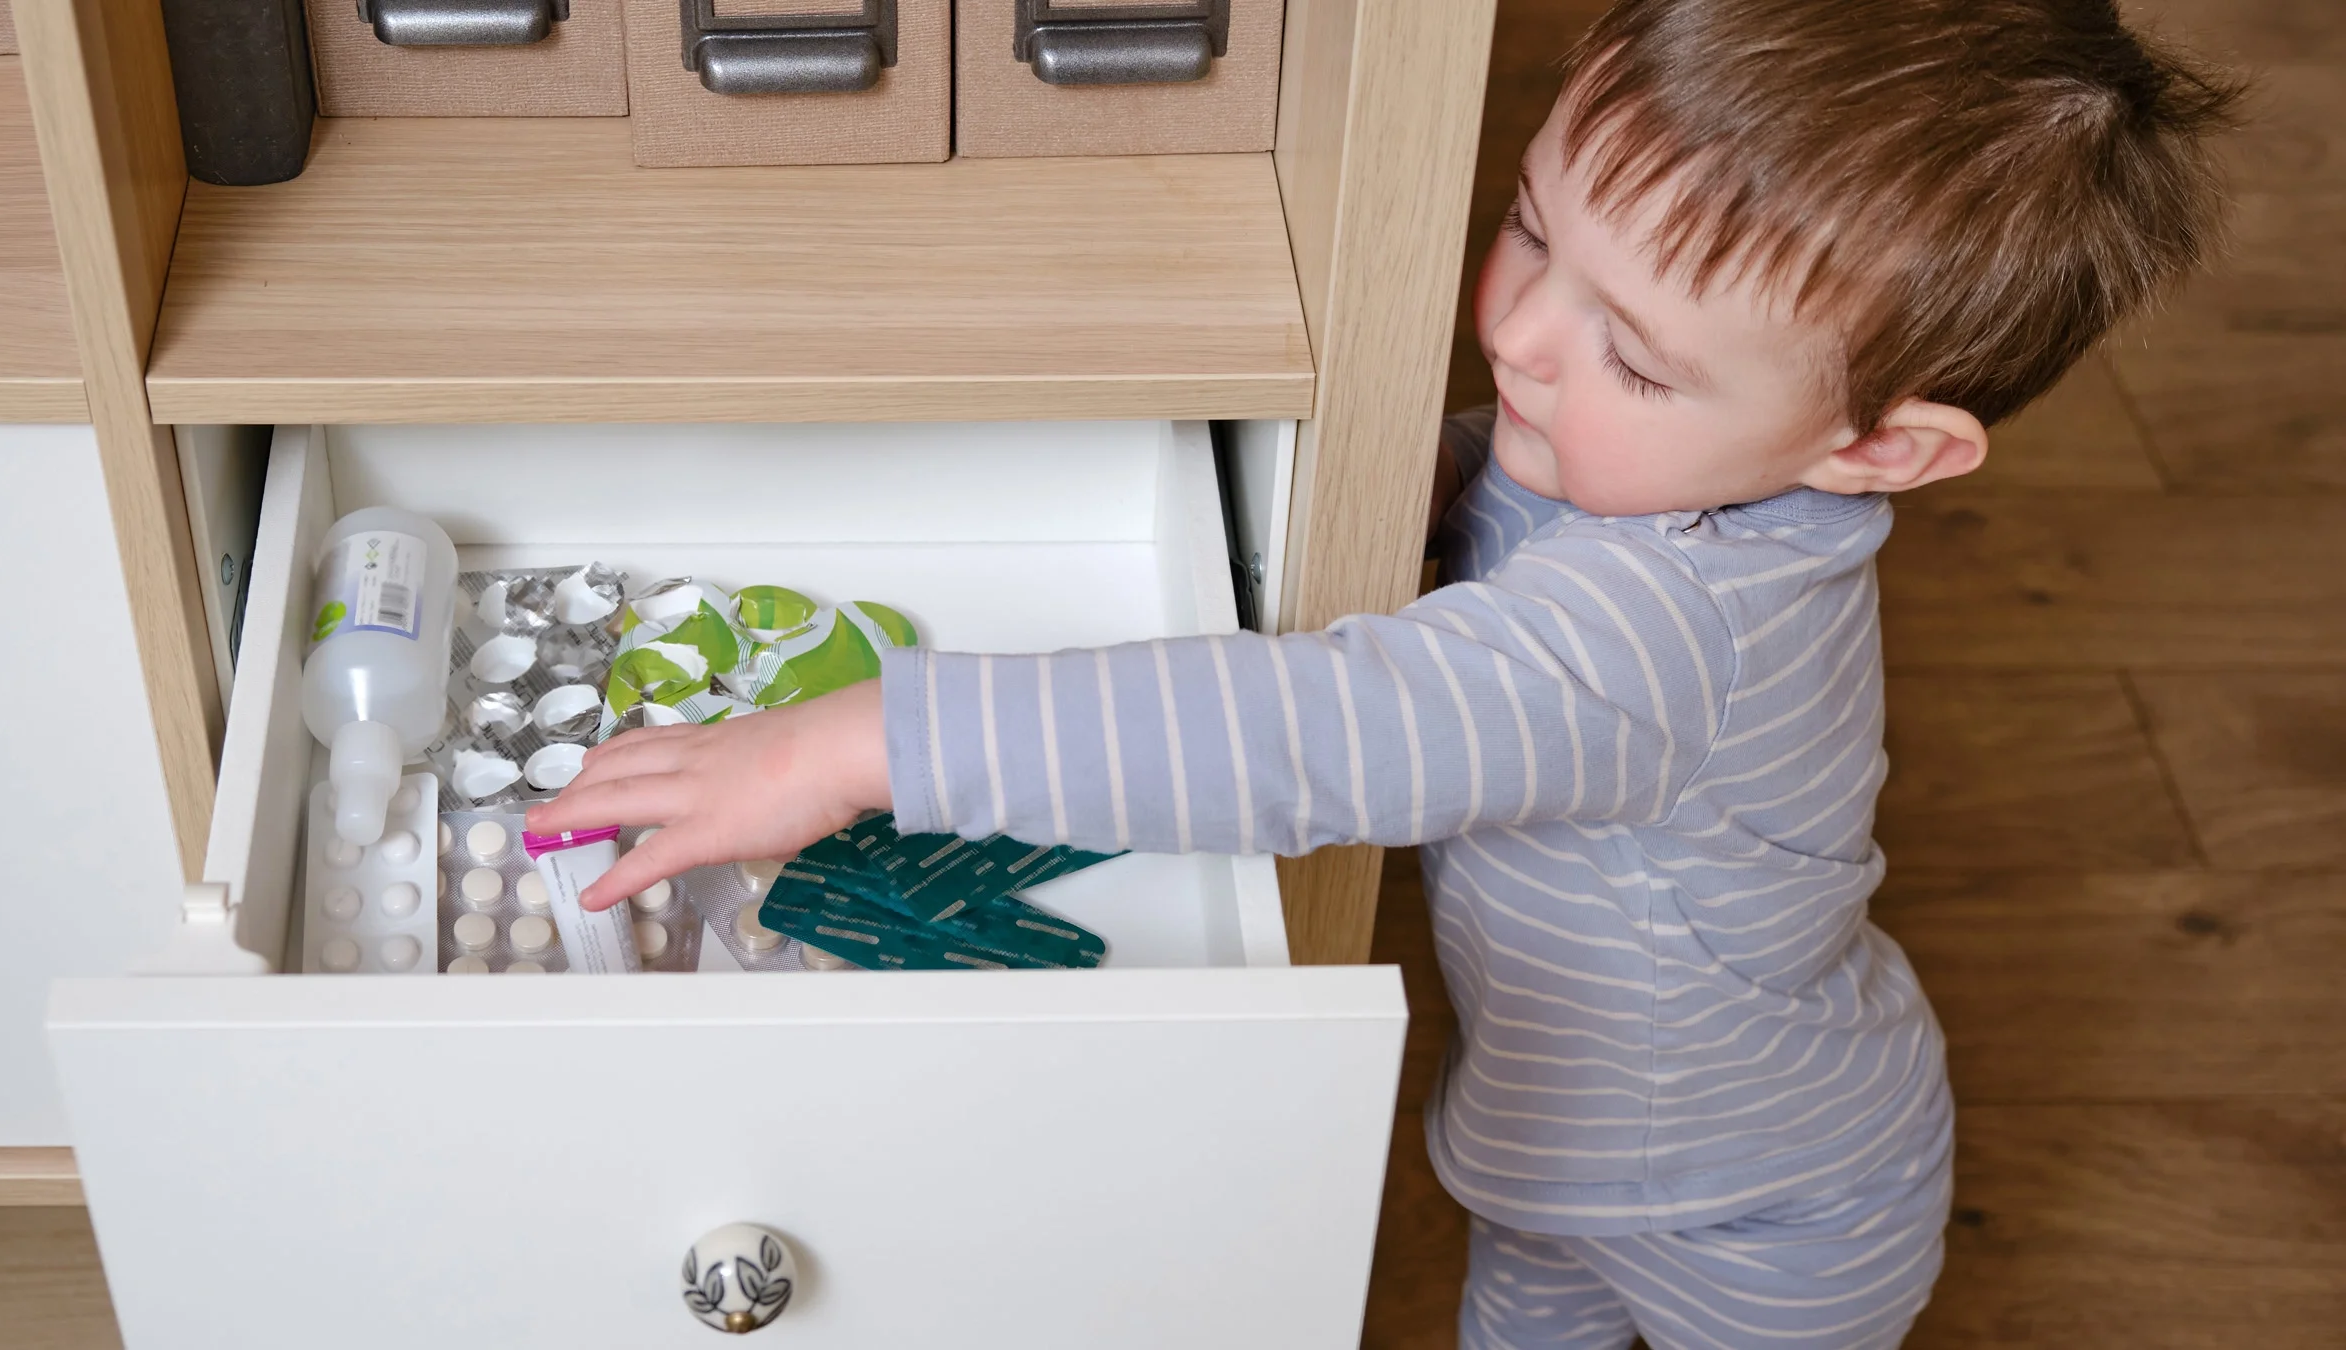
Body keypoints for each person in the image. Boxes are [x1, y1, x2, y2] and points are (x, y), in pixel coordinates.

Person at [529, 1, 2238, 1343]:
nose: (1522, 330)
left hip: (1766, 1210)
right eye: (1529, 228)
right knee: (1526, 1298)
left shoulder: (1649, 648)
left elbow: (1294, 734)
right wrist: (1377, 473)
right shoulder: (1661, 473)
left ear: (1879, 450)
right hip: (1557, 1134)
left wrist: (853, 744)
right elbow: (1506, 474)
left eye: (1631, 354)